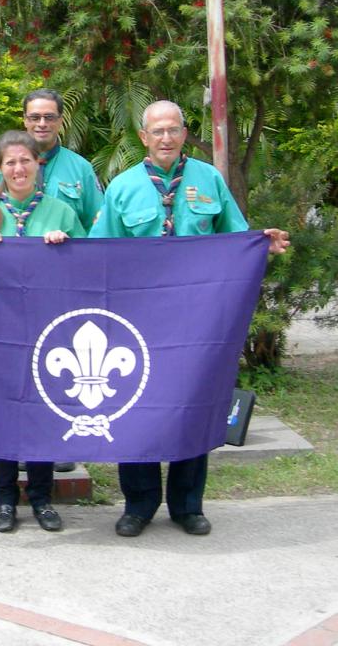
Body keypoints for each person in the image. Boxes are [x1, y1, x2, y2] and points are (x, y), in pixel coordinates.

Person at [90, 100, 289, 538]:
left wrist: (261, 242)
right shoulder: (122, 187)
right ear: (143, 137)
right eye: (157, 131)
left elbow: (234, 237)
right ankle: (139, 504)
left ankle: (187, 505)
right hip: (140, 318)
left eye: (173, 130)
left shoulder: (208, 179)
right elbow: (100, 253)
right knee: (137, 408)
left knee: (191, 405)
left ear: (184, 133)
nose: (165, 138)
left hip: (197, 320)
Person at [0, 130, 86, 533]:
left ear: (38, 165)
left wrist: (67, 247)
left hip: (47, 329)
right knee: (2, 412)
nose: (18, 169)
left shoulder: (61, 212)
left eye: (25, 161)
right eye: (10, 162)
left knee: (41, 412)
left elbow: (89, 269)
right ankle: (4, 500)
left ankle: (41, 498)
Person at [0, 88, 103, 231]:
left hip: (63, 244)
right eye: (35, 117)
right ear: (25, 120)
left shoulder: (81, 168)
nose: (42, 124)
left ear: (60, 120)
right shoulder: (2, 166)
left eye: (49, 117)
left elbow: (98, 226)